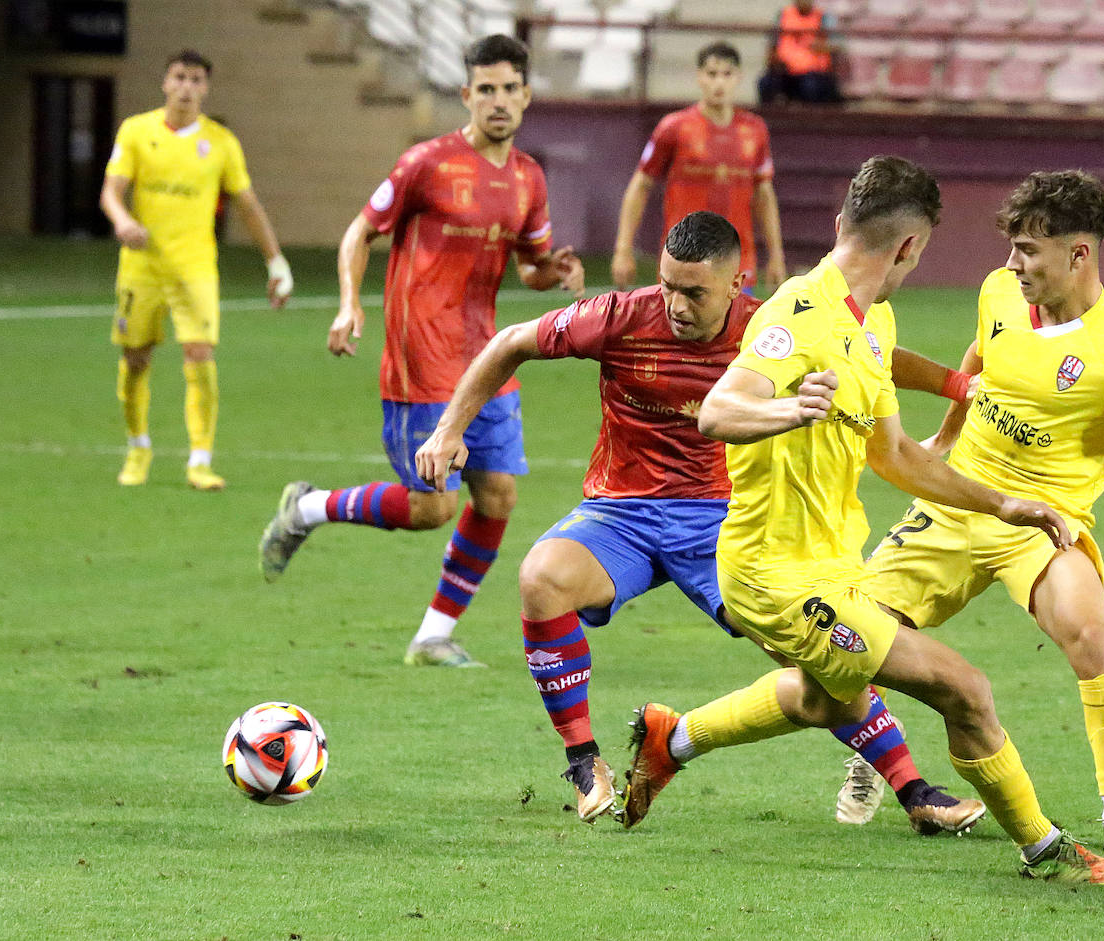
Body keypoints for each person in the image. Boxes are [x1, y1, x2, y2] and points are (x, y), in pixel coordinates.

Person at [621, 156, 1104, 885]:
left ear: (842, 226)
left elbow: (897, 457)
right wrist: (785, 409)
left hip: (832, 565)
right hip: (775, 576)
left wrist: (1003, 503)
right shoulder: (799, 315)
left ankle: (672, 741)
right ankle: (1047, 849)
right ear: (910, 249)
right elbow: (718, 409)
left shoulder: (874, 321)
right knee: (965, 688)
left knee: (821, 695)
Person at [413, 211, 984, 832]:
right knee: (542, 578)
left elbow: (875, 355)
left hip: (723, 520)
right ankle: (584, 761)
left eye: (694, 292)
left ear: (736, 284)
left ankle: (911, 787)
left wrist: (955, 384)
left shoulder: (771, 325)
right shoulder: (618, 316)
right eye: (667, 286)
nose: (676, 305)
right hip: (621, 512)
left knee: (817, 655)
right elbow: (510, 343)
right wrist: (448, 430)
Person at [844, 170, 1104, 855]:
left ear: (1079, 255)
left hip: (1045, 521)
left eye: (1028, 251)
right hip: (962, 498)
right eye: (1012, 247)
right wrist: (949, 434)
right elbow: (980, 356)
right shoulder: (998, 293)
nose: (1012, 264)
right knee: (858, 630)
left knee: (1089, 634)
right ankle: (874, 760)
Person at [257, 35, 584, 668]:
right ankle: (308, 507)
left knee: (497, 498)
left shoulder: (528, 178)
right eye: (484, 89)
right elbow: (361, 231)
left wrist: (555, 272)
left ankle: (432, 636)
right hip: (421, 360)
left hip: (486, 361)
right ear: (466, 95)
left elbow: (530, 268)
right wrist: (350, 303)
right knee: (434, 506)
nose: (497, 101)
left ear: (525, 96)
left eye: (508, 89)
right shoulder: (426, 163)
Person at [101, 48, 293, 490]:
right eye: (179, 77)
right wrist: (123, 219)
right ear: (165, 83)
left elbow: (248, 206)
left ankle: (200, 461)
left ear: (206, 88)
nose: (186, 87)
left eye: (195, 80)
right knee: (135, 359)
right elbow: (111, 191)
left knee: (200, 354)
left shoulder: (221, 143)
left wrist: (276, 261)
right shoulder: (136, 131)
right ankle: (138, 448)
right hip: (141, 268)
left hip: (195, 269)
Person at [611, 41, 786, 295]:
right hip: (683, 258)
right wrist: (623, 249)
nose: (719, 83)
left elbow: (764, 195)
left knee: (736, 333)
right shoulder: (674, 128)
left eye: (727, 74)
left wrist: (776, 255)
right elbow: (640, 186)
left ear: (738, 78)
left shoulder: (755, 131)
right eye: (712, 74)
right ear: (699, 77)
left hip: (737, 262)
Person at [757, 1, 842, 105]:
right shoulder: (783, 15)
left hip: (814, 74)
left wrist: (821, 47)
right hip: (785, 71)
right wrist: (774, 60)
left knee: (811, 87)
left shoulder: (824, 17)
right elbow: (772, 45)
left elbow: (838, 46)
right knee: (766, 83)